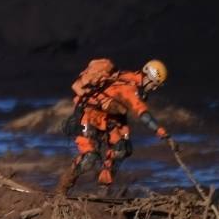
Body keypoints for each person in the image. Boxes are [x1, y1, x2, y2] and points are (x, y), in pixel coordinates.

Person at [56, 59, 175, 195]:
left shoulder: (130, 78)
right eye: (154, 84)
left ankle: (103, 188)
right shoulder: (129, 88)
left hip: (109, 120)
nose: (154, 89)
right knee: (90, 158)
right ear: (148, 78)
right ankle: (63, 188)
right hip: (89, 118)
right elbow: (143, 113)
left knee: (122, 149)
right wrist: (162, 133)